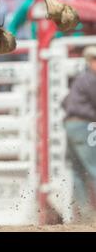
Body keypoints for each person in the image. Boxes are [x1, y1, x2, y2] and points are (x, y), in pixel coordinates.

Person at [63, 46, 96, 222]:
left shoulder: (81, 79)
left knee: (77, 170)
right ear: (91, 62)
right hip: (84, 126)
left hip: (71, 126)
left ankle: (83, 213)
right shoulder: (92, 80)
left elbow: (65, 101)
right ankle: (86, 213)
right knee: (93, 168)